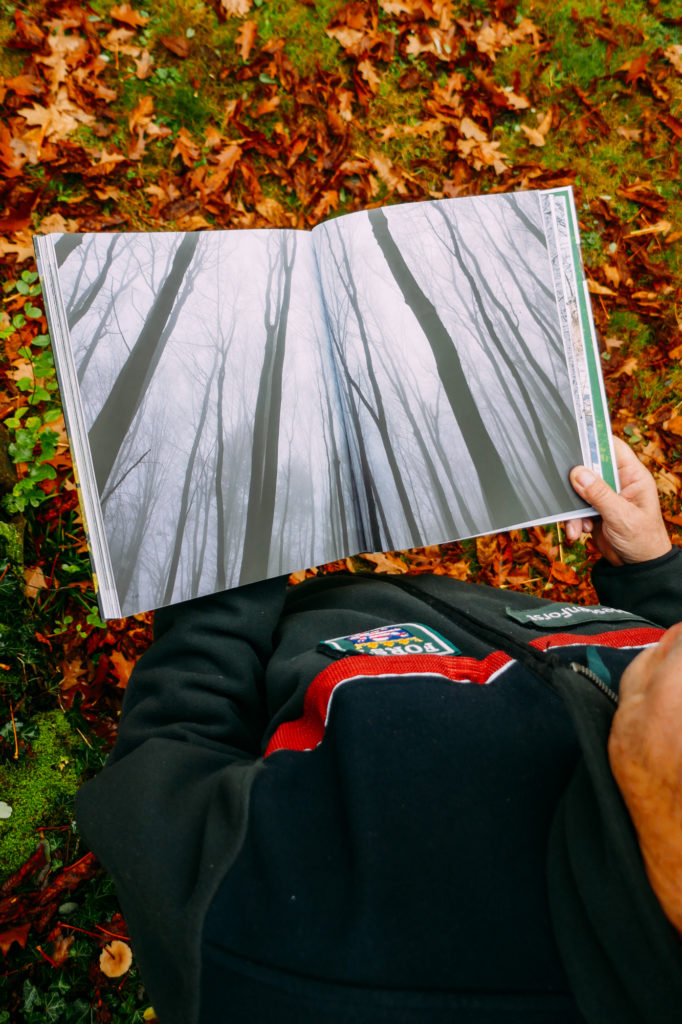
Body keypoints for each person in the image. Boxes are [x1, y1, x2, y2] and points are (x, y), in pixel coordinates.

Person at [76, 438, 682, 1024]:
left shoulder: (292, 959)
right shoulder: (663, 701)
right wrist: (653, 572)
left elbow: (172, 757)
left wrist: (232, 557)